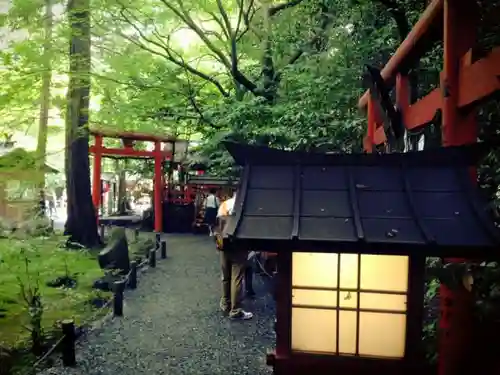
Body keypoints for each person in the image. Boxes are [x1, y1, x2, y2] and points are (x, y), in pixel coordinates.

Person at [217, 191, 253, 320]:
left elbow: (219, 226)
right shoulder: (245, 207)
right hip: (239, 245)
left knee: (226, 277)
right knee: (237, 278)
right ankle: (235, 310)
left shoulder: (224, 205)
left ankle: (225, 304)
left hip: (224, 245)